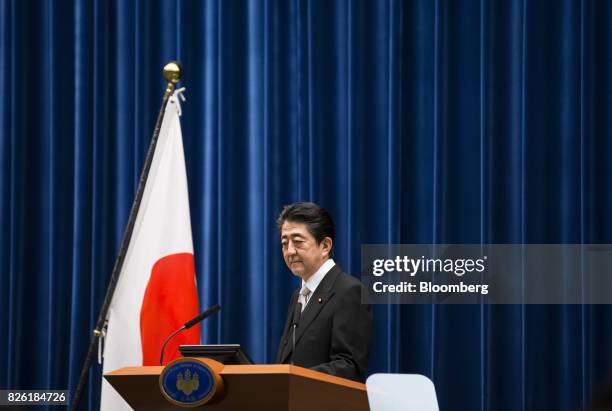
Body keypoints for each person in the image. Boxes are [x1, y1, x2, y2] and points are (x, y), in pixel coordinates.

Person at [275, 202, 373, 382]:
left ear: (325, 246)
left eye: (297, 242)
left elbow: (348, 365)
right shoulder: (299, 295)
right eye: (284, 243)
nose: (290, 251)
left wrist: (294, 379)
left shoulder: (349, 290)